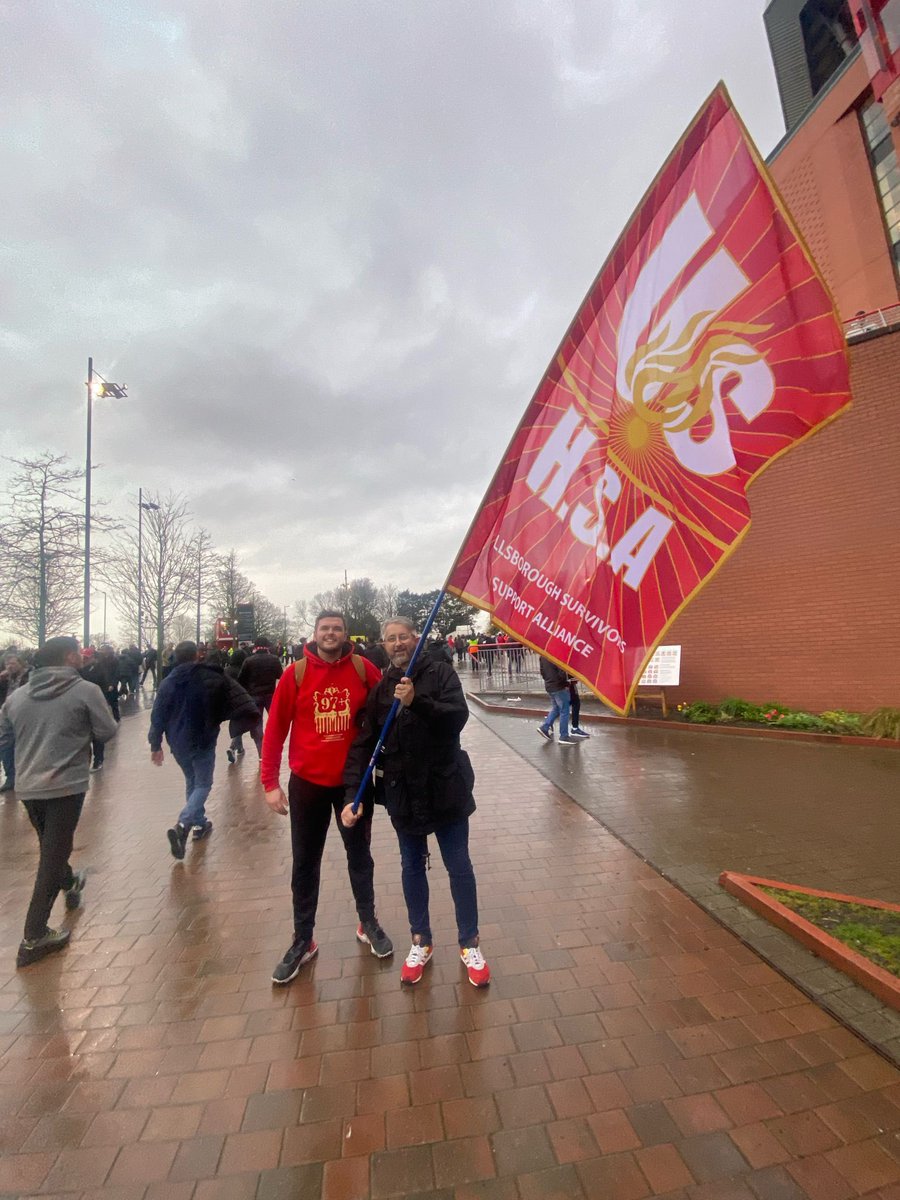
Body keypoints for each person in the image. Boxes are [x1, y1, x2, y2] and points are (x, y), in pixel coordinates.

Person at [342, 616, 490, 989]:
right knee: (411, 866)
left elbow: (457, 717)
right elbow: (364, 743)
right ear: (382, 644)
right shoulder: (380, 691)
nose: (397, 644)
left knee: (459, 865)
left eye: (403, 637)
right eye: (390, 639)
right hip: (403, 793)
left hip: (446, 788)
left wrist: (417, 702)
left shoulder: (439, 673)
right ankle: (420, 940)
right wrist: (352, 795)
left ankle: (469, 941)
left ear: (415, 639)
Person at [261, 610, 392, 985]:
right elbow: (275, 730)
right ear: (315, 634)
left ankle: (368, 922)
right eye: (324, 629)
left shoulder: (365, 669)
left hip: (353, 784)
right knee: (305, 863)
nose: (330, 634)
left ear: (345, 634)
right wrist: (269, 782)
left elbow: (385, 713)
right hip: (308, 784)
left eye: (336, 628)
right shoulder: (295, 674)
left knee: (359, 855)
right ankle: (303, 938)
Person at [0, 636, 118, 967]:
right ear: (68, 657)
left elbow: (4, 736)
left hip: (28, 787)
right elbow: (107, 731)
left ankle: (70, 880)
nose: (82, 657)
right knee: (52, 857)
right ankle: (34, 937)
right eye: (78, 652)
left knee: (52, 848)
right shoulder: (85, 691)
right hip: (66, 787)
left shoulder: (17, 696)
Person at [149, 641, 258, 859]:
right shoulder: (206, 676)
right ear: (196, 655)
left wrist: (155, 744)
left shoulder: (167, 682)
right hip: (202, 737)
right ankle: (183, 823)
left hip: (177, 741)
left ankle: (199, 823)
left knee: (192, 780)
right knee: (203, 783)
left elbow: (158, 714)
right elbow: (231, 696)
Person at [238, 638, 283, 755]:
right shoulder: (274, 659)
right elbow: (281, 676)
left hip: (254, 696)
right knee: (274, 721)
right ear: (267, 646)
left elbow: (241, 679)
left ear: (255, 646)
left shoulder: (249, 661)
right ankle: (274, 746)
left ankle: (261, 751)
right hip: (270, 694)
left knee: (257, 723)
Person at [0, 653, 28, 792]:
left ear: (21, 664)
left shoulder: (29, 676)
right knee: (5, 745)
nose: (9, 666)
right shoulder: (5, 678)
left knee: (24, 746)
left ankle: (24, 776)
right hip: (7, 714)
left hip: (24, 714)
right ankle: (11, 777)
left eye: (13, 663)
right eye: (7, 664)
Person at [537, 657, 576, 745]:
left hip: (549, 686)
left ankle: (545, 727)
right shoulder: (556, 656)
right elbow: (562, 673)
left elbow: (542, 672)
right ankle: (564, 736)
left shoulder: (543, 656)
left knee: (556, 708)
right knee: (564, 711)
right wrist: (566, 684)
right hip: (559, 687)